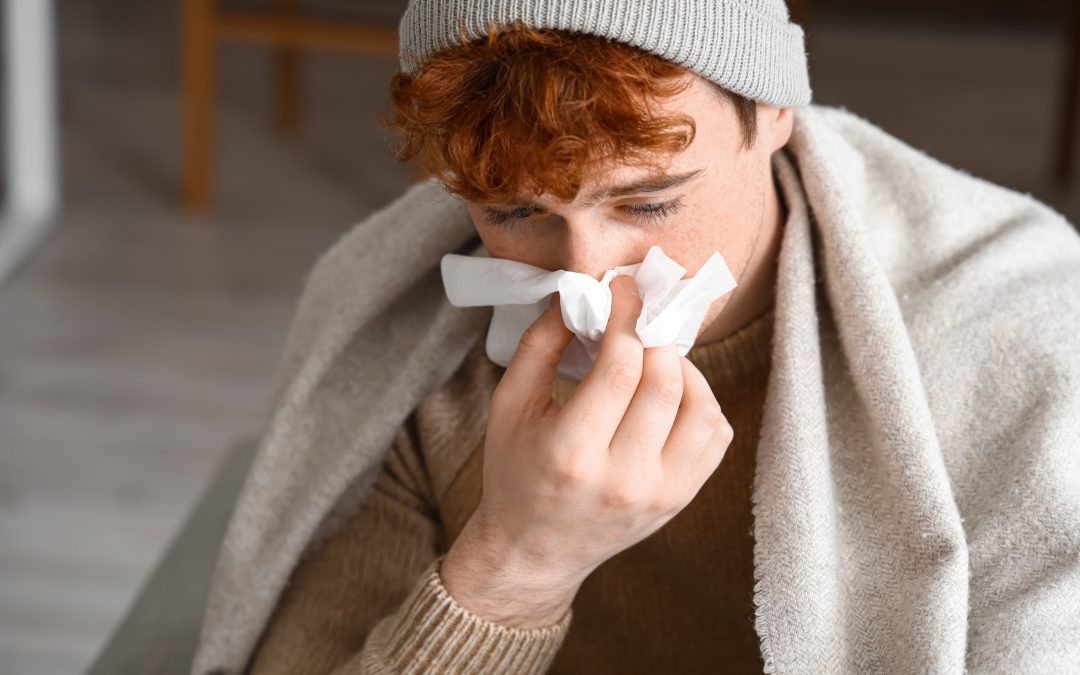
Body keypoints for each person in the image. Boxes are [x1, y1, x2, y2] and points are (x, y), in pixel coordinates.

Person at [192, 2, 1080, 674]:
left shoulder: (1013, 337)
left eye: (649, 201)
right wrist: (517, 567)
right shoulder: (415, 348)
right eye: (517, 211)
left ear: (773, 111)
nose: (590, 272)